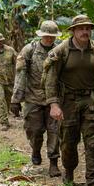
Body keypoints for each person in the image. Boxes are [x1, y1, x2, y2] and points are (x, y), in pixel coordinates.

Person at [43, 14, 94, 186]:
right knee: (68, 142)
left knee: (93, 142)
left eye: (88, 28)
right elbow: (50, 79)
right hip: (68, 102)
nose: (85, 31)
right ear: (73, 31)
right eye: (81, 28)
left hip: (91, 101)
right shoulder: (61, 51)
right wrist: (53, 104)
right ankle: (69, 171)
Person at [13, 20, 62, 177]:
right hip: (33, 97)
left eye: (52, 36)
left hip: (54, 98)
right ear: (41, 35)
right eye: (47, 36)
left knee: (55, 131)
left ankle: (53, 162)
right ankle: (35, 150)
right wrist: (16, 99)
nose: (49, 39)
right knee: (34, 130)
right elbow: (20, 74)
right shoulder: (29, 50)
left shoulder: (60, 50)